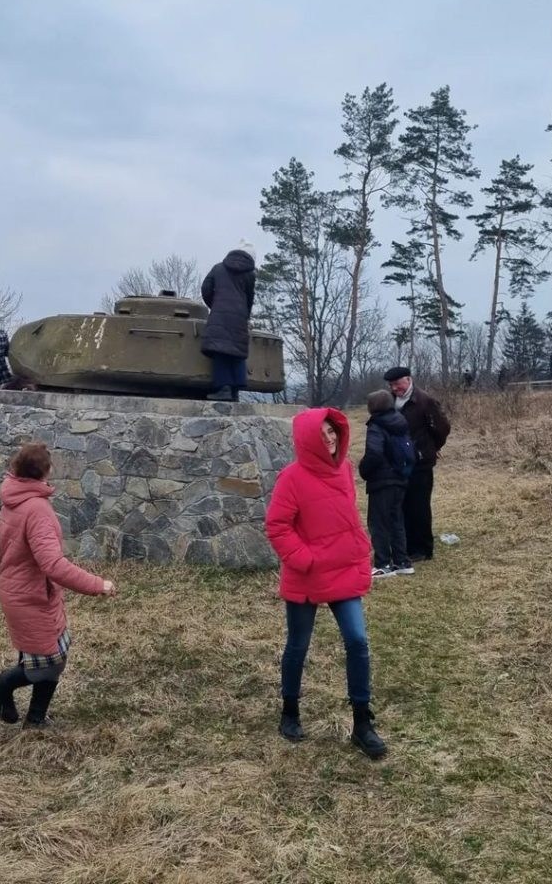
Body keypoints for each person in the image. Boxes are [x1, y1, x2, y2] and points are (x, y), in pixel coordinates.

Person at [265, 408, 387, 759]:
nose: (330, 438)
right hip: (308, 574)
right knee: (298, 645)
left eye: (332, 431)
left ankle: (362, 723)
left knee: (358, 641)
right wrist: (306, 560)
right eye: (321, 435)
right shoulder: (291, 478)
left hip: (343, 569)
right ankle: (290, 711)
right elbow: (277, 526)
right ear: (307, 440)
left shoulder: (344, 469)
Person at [0, 442, 117, 728]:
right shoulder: (36, 508)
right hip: (30, 596)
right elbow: (53, 565)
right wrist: (98, 584)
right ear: (44, 471)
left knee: (51, 657)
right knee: (47, 662)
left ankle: (35, 719)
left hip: (25, 591)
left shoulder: (14, 495)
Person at [383, 366, 451, 563]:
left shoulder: (424, 401)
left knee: (419, 506)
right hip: (398, 462)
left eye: (397, 384)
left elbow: (442, 428)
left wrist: (432, 447)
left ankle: (423, 549)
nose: (394, 388)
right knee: (403, 504)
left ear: (408, 379)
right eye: (391, 385)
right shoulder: (390, 400)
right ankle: (407, 546)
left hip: (420, 462)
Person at [358, 391, 414, 578]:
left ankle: (383, 564)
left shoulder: (376, 424)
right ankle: (402, 561)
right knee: (396, 520)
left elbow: (374, 453)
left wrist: (363, 470)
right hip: (400, 478)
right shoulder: (400, 421)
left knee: (378, 522)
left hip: (382, 480)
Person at [200, 241, 257, 401]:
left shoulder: (218, 268)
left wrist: (214, 304)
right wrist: (245, 315)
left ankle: (223, 388)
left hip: (219, 315)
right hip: (239, 317)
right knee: (237, 351)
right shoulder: (250, 274)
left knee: (220, 351)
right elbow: (250, 298)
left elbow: (206, 288)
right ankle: (235, 391)